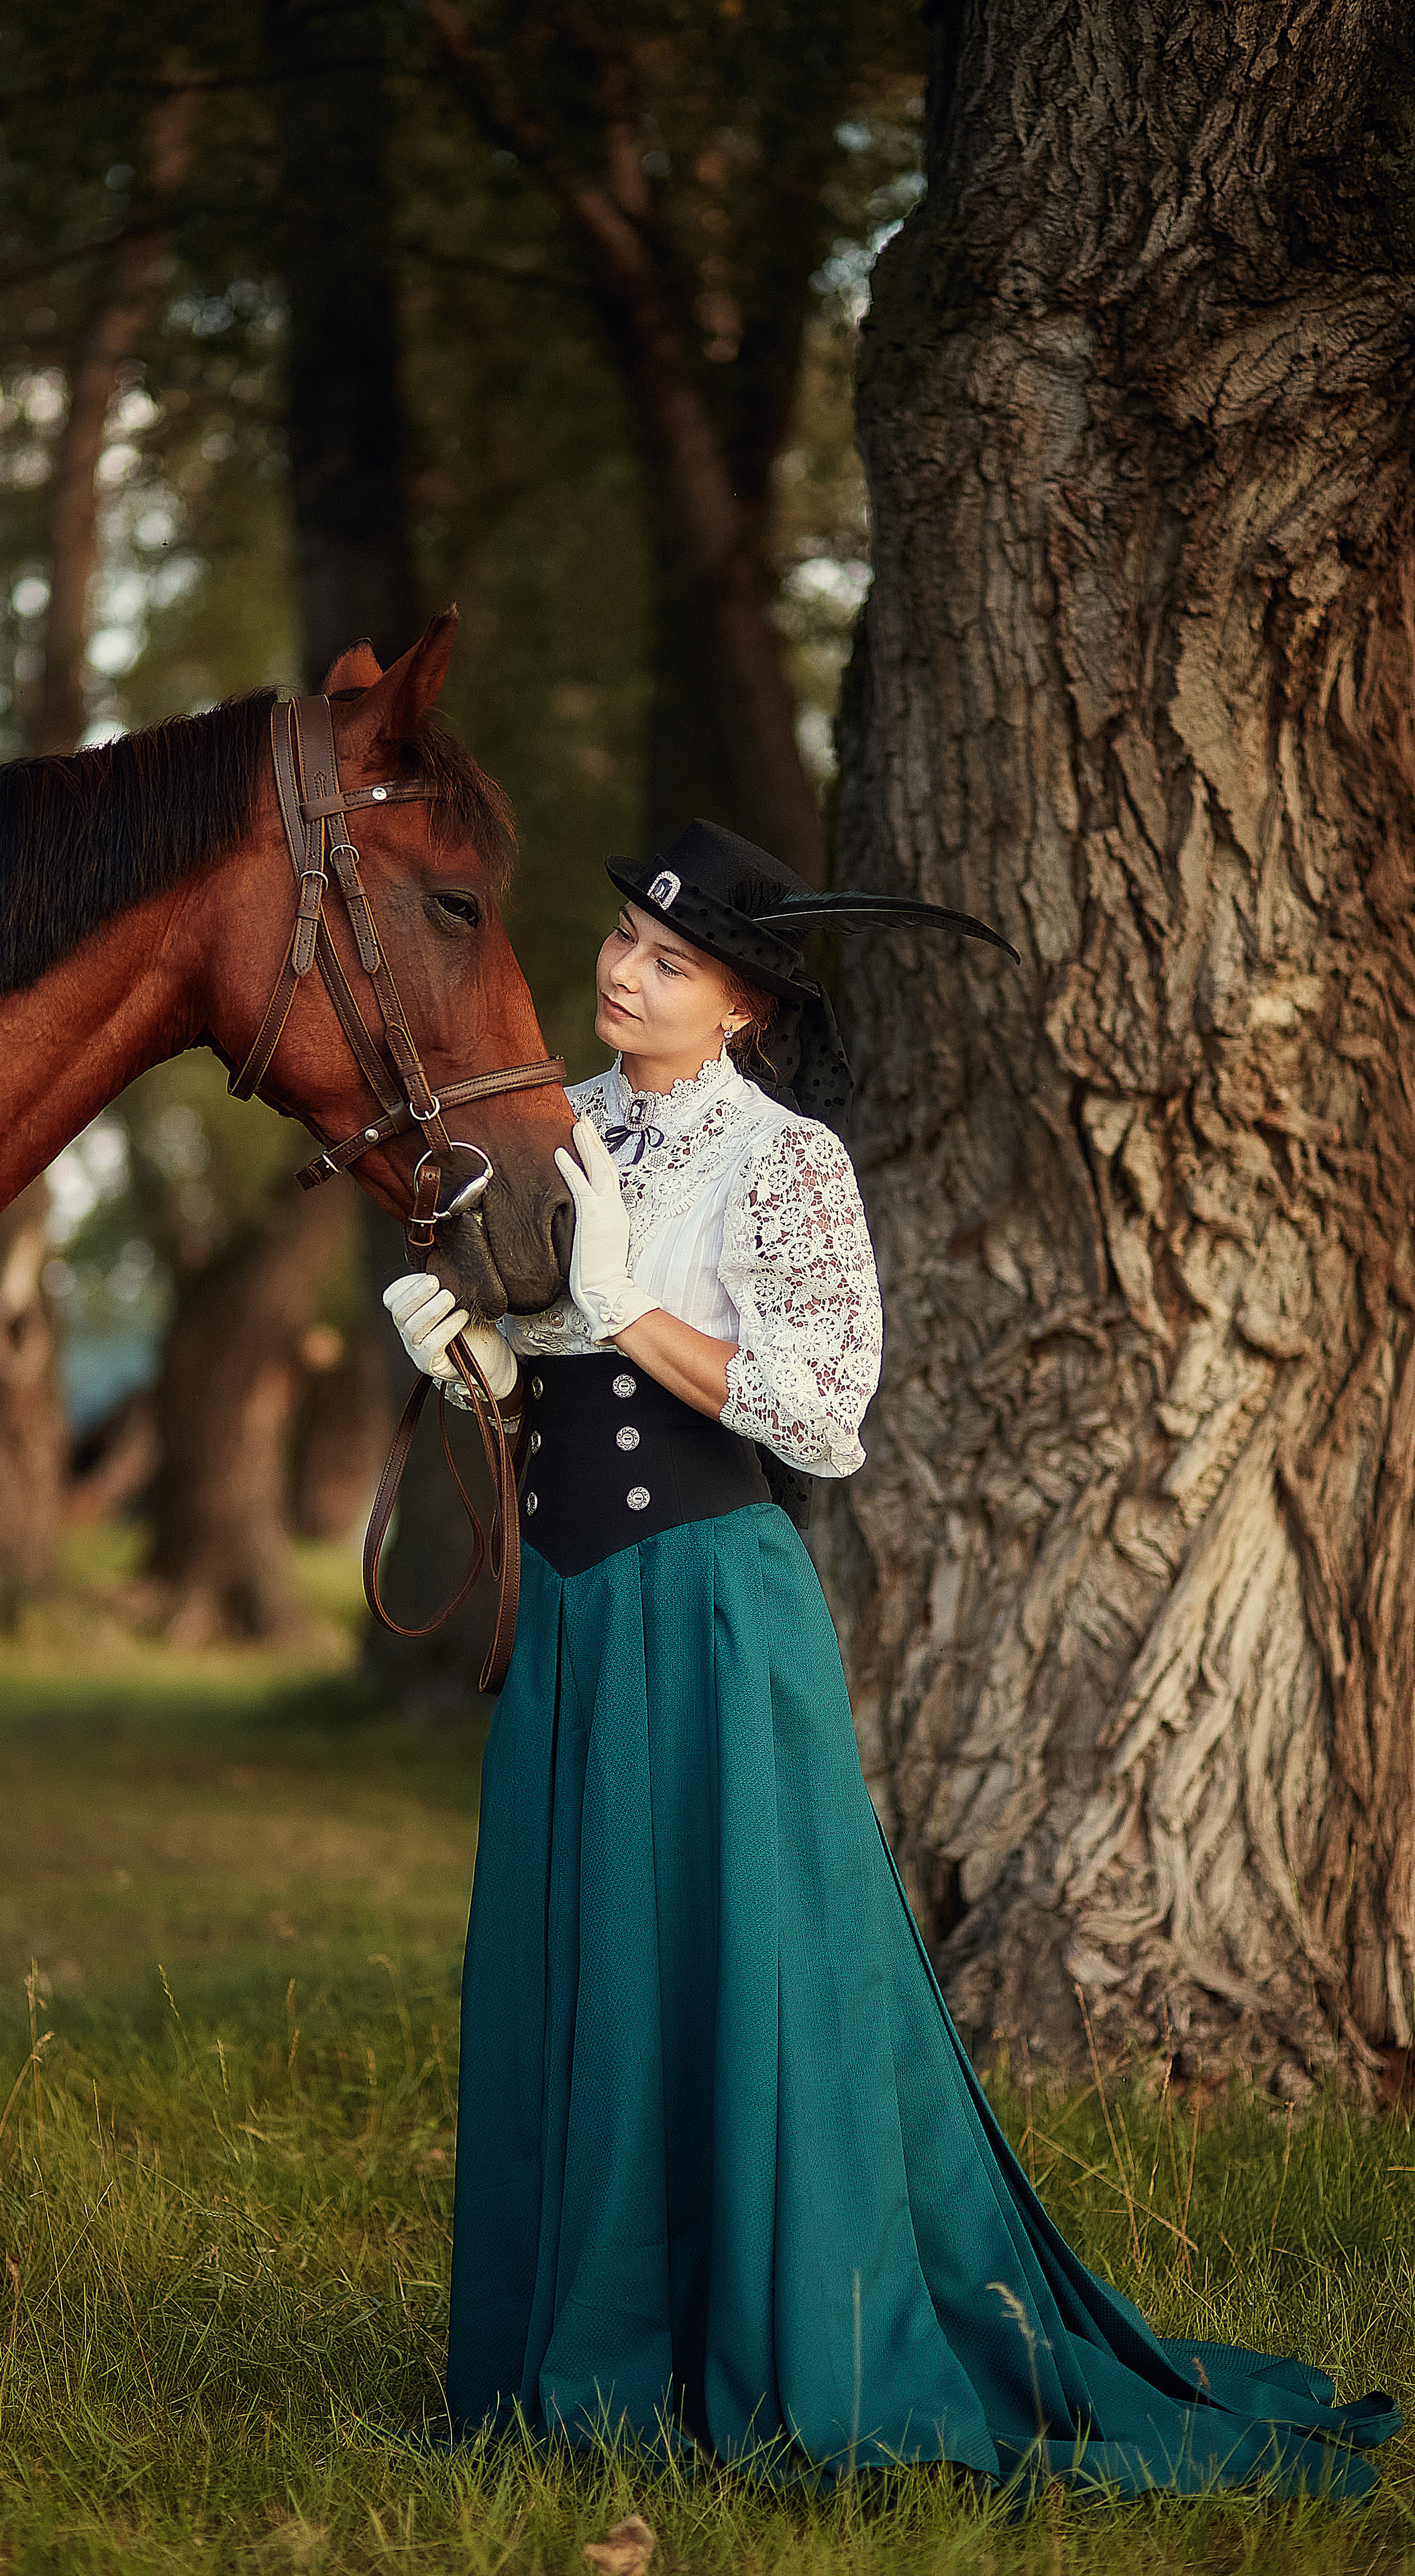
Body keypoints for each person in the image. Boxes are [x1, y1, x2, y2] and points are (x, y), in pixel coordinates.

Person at [382, 820, 1397, 2498]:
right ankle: (590, 2346)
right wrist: (474, 1364)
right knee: (581, 1972)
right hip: (568, 1611)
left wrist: (626, 1308)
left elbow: (822, 1416)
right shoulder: (552, 1127)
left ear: (744, 1009)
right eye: (623, 943)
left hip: (707, 1604)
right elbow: (545, 1400)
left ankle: (772, 2339)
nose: (624, 976)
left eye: (669, 963)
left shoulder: (784, 1166)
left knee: (726, 1977)